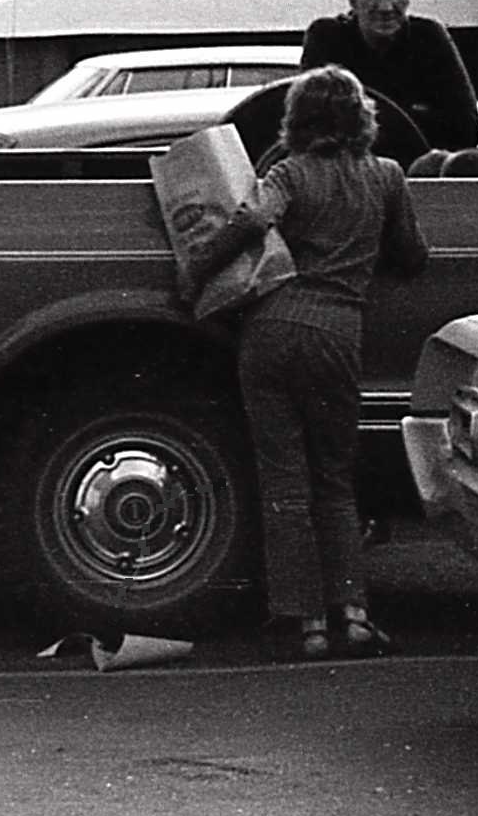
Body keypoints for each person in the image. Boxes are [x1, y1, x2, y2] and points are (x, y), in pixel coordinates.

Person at [181, 66, 427, 662]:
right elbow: (413, 256)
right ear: (361, 118)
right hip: (339, 334)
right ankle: (357, 616)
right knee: (335, 481)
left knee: (283, 482)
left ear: (298, 120)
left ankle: (308, 623)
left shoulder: (288, 173)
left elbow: (253, 219)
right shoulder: (388, 177)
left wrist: (199, 266)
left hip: (272, 328)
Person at [301, 0, 478, 154]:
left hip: (420, 179)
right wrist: (413, 116)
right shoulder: (327, 37)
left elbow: (466, 128)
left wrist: (359, 122)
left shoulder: (429, 37)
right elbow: (308, 124)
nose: (385, 6)